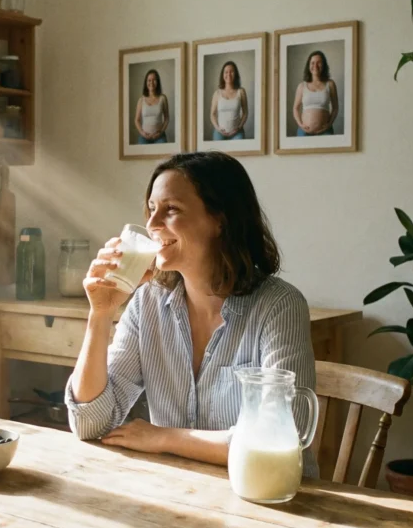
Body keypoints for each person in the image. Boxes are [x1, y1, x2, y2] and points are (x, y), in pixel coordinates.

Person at [64, 151, 318, 479]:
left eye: (171, 210)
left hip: (273, 499)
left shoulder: (279, 306)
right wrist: (100, 314)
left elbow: (278, 439)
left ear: (220, 220)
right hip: (181, 494)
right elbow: (89, 423)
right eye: (152, 209)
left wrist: (165, 438)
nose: (153, 225)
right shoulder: (147, 303)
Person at [291, 50, 338, 137]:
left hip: (325, 131)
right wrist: (300, 124)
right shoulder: (302, 86)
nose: (315, 66)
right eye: (312, 63)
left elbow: (335, 108)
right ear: (309, 66)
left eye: (319, 63)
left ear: (323, 65)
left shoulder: (330, 84)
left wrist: (329, 124)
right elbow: (295, 108)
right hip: (304, 132)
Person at [209, 61, 248, 140]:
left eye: (232, 72)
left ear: (235, 74)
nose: (229, 74)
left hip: (237, 133)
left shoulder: (241, 91)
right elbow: (212, 114)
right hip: (219, 133)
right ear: (223, 75)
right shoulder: (217, 93)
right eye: (226, 72)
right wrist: (218, 128)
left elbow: (245, 113)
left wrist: (239, 127)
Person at [134, 69, 170, 144]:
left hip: (159, 137)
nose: (151, 83)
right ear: (146, 82)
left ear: (158, 82)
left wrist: (160, 132)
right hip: (144, 137)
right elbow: (136, 120)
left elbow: (166, 118)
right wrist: (142, 132)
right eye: (149, 80)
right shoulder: (141, 100)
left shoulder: (163, 98)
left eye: (154, 80)